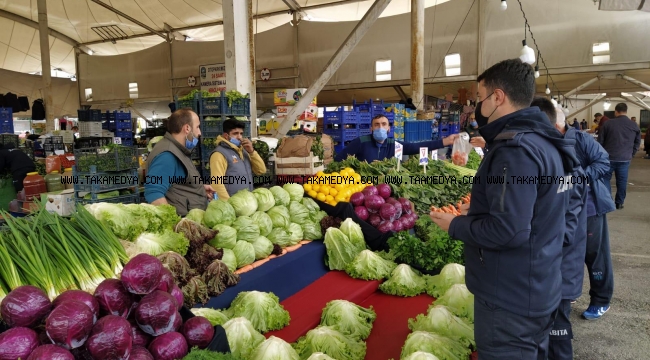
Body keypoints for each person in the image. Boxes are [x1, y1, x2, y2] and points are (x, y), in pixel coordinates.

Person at [429, 59, 578, 359]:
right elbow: (538, 211)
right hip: (538, 287)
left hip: (510, 301)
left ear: (497, 97)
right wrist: (483, 207)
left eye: (479, 99)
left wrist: (454, 225)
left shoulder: (515, 150)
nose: (476, 108)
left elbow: (508, 231)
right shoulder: (546, 143)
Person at [530, 98, 588, 359]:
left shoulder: (565, 164)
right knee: (546, 331)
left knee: (558, 331)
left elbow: (567, 224)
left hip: (559, 267)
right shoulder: (554, 157)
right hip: (553, 264)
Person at [144, 108, 215, 216]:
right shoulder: (167, 155)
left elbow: (177, 182)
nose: (199, 132)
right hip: (182, 224)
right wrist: (174, 223)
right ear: (187, 128)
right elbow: (154, 193)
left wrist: (198, 187)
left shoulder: (179, 150)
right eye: (197, 127)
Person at [334, 114, 459, 162]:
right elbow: (339, 159)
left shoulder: (392, 144)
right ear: (371, 129)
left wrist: (445, 141)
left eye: (384, 124)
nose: (380, 127)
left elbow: (416, 147)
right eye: (376, 125)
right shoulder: (360, 142)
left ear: (389, 128)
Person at [598, 103, 641, 209]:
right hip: (625, 158)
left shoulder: (608, 124)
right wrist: (632, 153)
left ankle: (608, 201)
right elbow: (637, 142)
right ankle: (619, 202)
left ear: (616, 111)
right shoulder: (634, 125)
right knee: (622, 181)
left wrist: (600, 155)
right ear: (626, 111)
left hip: (608, 158)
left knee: (605, 179)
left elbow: (600, 141)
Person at [209, 119, 266, 200]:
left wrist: (252, 152)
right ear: (226, 136)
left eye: (241, 133)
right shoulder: (219, 154)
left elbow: (261, 170)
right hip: (233, 204)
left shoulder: (243, 151)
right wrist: (229, 205)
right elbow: (217, 183)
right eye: (235, 133)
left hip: (247, 203)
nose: (239, 137)